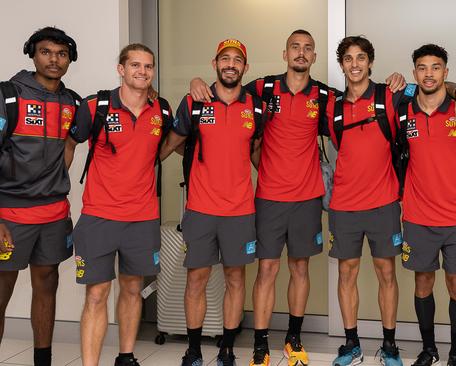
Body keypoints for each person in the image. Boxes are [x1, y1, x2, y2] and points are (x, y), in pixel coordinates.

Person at [188, 30, 411, 366]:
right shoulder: (262, 90)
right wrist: (196, 82)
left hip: (308, 198)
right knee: (266, 270)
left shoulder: (324, 96)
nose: (301, 53)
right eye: (295, 47)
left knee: (300, 268)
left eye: (308, 49)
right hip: (268, 199)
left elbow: (372, 96)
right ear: (285, 53)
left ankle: (294, 338)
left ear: (315, 57)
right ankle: (261, 344)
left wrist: (400, 81)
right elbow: (226, 91)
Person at [326, 36, 456, 366]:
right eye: (348, 59)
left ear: (370, 62)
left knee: (387, 275)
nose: (354, 64)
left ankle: (390, 345)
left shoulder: (391, 96)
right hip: (344, 205)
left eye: (361, 58)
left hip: (385, 201)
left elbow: (434, 86)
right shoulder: (331, 105)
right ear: (341, 65)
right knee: (346, 275)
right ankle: (351, 344)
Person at [65, 43, 173, 366]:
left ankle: (126, 357)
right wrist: (57, 189)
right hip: (100, 216)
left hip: (142, 218)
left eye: (148, 66)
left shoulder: (162, 110)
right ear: (121, 69)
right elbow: (70, 144)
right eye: (136, 65)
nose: (142, 71)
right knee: (96, 295)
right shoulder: (95, 106)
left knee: (132, 290)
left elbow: (166, 145)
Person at [160, 38, 263, 366]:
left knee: (236, 280)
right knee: (197, 280)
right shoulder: (194, 102)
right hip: (201, 210)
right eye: (225, 58)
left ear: (245, 68)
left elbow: (258, 152)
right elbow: (168, 146)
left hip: (240, 211)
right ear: (214, 63)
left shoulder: (256, 107)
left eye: (237, 60)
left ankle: (227, 349)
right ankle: (193, 351)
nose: (231, 64)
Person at [399, 44, 456, 366]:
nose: (429, 73)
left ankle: (455, 354)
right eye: (422, 67)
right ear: (414, 73)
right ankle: (429, 349)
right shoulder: (402, 109)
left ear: (446, 73)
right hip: (417, 215)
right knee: (422, 282)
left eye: (436, 67)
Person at [0, 26, 79, 366]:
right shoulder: (9, 96)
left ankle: (42, 361)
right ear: (33, 54)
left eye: (61, 54)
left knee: (47, 285)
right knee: (1, 292)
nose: (54, 60)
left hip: (52, 214)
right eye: (46, 52)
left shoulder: (72, 102)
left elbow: (70, 143)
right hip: (10, 216)